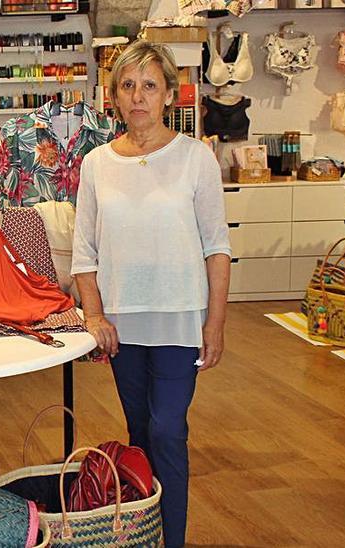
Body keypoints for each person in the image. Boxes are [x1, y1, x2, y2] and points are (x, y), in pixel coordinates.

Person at [71, 41, 232, 547]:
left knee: (168, 431)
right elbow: (84, 253)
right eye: (127, 85)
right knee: (139, 433)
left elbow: (218, 248)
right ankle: (142, 533)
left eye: (149, 85)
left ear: (169, 94)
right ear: (113, 96)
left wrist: (216, 323)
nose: (137, 96)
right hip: (123, 322)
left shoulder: (194, 159)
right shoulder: (96, 164)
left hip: (179, 318)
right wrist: (94, 316)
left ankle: (174, 541)